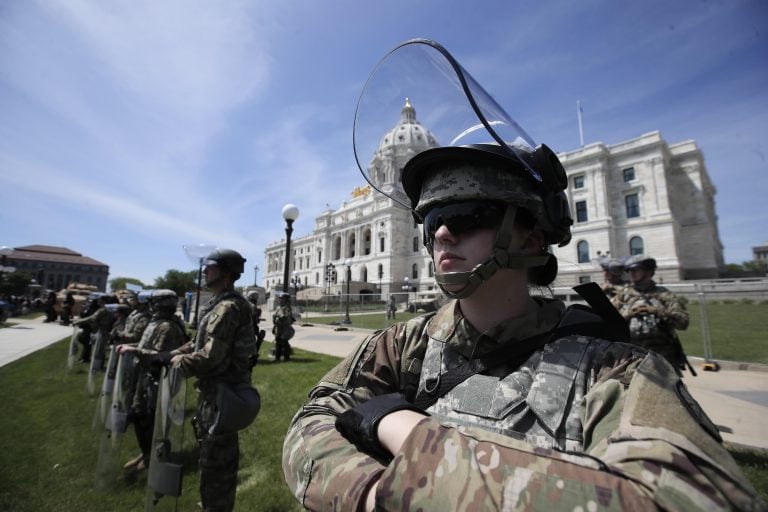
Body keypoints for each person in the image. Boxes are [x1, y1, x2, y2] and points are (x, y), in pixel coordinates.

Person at [281, 40, 761, 511]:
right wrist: (369, 493)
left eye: (469, 215)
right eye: (430, 221)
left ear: (532, 237)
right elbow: (311, 420)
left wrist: (399, 431)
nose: (443, 233)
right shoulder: (402, 344)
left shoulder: (616, 371)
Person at [168, 249, 255, 512]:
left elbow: (211, 357)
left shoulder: (229, 307)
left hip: (222, 398)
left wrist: (178, 363)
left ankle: (215, 506)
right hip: (213, 395)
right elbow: (201, 342)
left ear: (226, 272)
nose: (204, 270)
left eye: (211, 266)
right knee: (209, 459)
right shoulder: (219, 303)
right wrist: (174, 352)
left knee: (217, 464)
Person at [117, 289, 188, 472]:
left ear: (160, 304)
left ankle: (152, 456)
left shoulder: (167, 327)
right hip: (145, 377)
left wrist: (134, 351)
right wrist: (132, 347)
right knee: (140, 416)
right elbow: (145, 345)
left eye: (153, 302)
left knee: (149, 419)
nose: (150, 305)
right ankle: (146, 452)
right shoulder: (157, 323)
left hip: (157, 380)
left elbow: (159, 356)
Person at [611, 254, 692, 374]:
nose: (631, 273)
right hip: (630, 356)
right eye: (629, 271)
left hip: (662, 356)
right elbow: (607, 321)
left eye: (635, 270)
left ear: (648, 271)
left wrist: (658, 312)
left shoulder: (664, 295)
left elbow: (683, 322)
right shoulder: (623, 296)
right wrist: (628, 314)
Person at [271, 292, 295, 362]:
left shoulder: (286, 308)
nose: (280, 300)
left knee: (284, 342)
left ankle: (286, 357)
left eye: (282, 299)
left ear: (286, 300)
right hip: (278, 328)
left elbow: (285, 317)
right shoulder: (280, 308)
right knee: (278, 343)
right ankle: (277, 357)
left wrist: (278, 316)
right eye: (280, 299)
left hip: (285, 328)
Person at [246, 291, 266, 365]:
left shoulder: (245, 304)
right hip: (250, 328)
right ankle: (251, 358)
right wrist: (257, 332)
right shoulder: (252, 306)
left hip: (246, 327)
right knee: (251, 344)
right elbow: (254, 319)